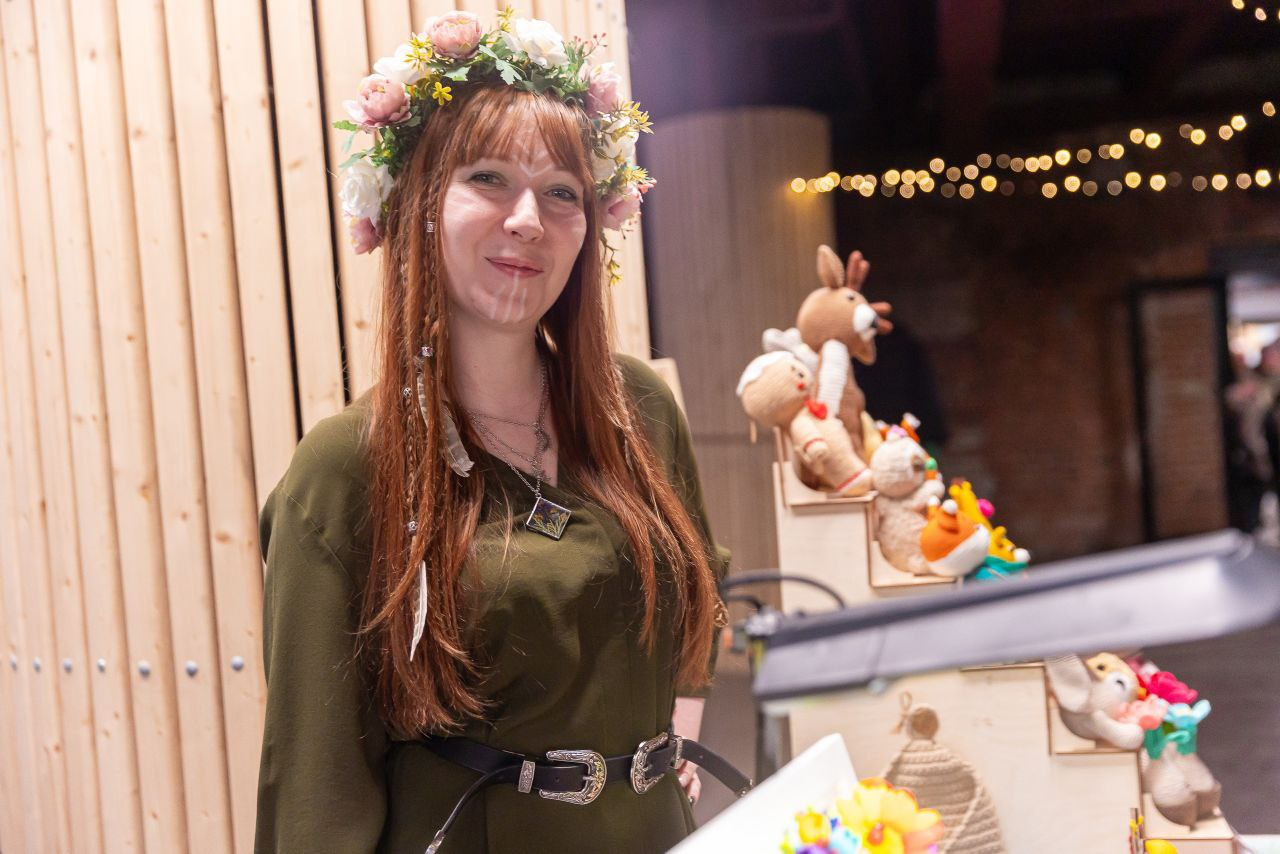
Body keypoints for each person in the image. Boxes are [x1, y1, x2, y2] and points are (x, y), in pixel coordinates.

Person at [253, 12, 744, 854]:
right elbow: (317, 788)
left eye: (562, 192)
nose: (528, 219)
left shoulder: (638, 408)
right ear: (419, 203)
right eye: (488, 178)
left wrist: (667, 757)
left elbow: (699, 603)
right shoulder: (347, 467)